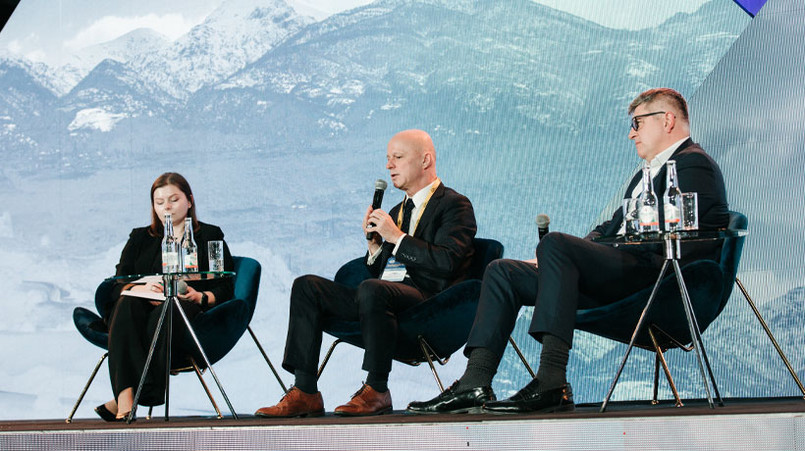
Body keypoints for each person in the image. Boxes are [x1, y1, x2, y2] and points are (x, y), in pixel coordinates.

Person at [407, 88, 729, 415]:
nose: (632, 133)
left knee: (556, 243)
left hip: (657, 284)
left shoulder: (693, 165)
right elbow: (611, 226)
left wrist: (560, 252)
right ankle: (475, 382)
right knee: (504, 272)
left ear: (668, 120)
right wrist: (556, 259)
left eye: (637, 123)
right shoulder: (647, 173)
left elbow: (679, 242)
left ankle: (551, 380)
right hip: (626, 275)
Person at [255, 129, 477, 417]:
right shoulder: (397, 209)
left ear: (425, 161)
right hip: (386, 297)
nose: (389, 166)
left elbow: (447, 262)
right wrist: (375, 248)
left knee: (373, 289)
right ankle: (305, 390)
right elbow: (387, 270)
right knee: (307, 286)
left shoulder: (454, 205)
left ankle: (377, 389)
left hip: (431, 302)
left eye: (397, 157)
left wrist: (396, 237)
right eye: (387, 159)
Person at [94, 172, 234, 421]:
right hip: (140, 306)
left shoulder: (209, 234)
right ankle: (127, 400)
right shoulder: (140, 237)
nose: (166, 207)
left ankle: (131, 395)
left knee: (166, 311)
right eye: (159, 202)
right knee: (126, 304)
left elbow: (226, 287)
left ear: (189, 201)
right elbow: (119, 281)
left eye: (173, 199)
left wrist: (200, 296)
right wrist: (137, 290)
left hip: (186, 307)